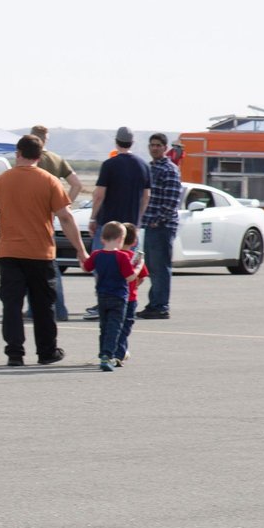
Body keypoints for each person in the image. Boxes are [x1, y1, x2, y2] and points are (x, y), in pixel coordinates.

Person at [0, 134, 88, 366]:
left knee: (12, 305)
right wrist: (80, 249)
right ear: (39, 156)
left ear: (18, 153)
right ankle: (47, 351)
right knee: (43, 305)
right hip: (40, 252)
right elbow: (65, 218)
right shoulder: (49, 181)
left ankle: (14, 353)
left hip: (9, 252)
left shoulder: (0, 181)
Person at [84, 127, 151, 319]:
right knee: (129, 267)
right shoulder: (143, 166)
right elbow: (146, 196)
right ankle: (126, 302)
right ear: (132, 142)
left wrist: (93, 217)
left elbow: (99, 195)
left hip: (109, 225)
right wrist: (138, 220)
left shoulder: (109, 165)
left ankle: (104, 303)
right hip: (131, 227)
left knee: (103, 266)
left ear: (116, 141)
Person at [28, 125, 85, 320]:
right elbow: (77, 184)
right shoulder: (56, 159)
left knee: (33, 264)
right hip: (50, 217)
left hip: (31, 217)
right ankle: (50, 307)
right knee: (48, 263)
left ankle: (52, 308)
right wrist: (63, 203)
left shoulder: (31, 160)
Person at [83, 223, 139, 371]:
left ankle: (103, 353)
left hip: (102, 295)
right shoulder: (121, 256)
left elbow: (86, 267)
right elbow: (130, 277)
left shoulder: (96, 254)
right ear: (121, 238)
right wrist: (139, 266)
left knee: (104, 326)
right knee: (115, 327)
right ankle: (108, 355)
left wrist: (81, 256)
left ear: (102, 238)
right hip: (119, 296)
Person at [138, 133, 182, 319]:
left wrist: (158, 219)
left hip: (162, 227)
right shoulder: (150, 168)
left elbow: (172, 201)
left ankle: (161, 306)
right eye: (152, 145)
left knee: (160, 267)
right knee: (152, 267)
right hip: (149, 225)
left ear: (165, 148)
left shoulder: (169, 169)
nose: (154, 148)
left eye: (158, 145)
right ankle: (154, 303)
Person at [115, 222, 148, 363]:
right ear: (134, 241)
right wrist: (134, 286)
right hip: (130, 297)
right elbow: (142, 277)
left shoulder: (114, 256)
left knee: (114, 325)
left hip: (114, 295)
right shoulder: (135, 258)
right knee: (125, 326)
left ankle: (117, 350)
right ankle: (119, 352)